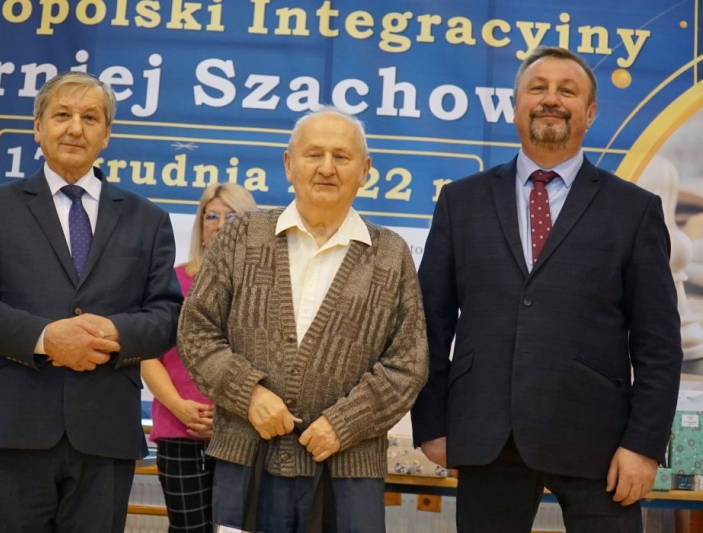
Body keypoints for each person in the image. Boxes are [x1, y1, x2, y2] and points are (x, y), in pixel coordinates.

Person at [410, 46, 683, 532]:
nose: (551, 99)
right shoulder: (461, 202)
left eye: (567, 91)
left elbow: (658, 344)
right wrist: (431, 423)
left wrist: (643, 445)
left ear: (590, 113)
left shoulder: (634, 210)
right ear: (515, 106)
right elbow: (429, 325)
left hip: (600, 443)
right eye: (537, 89)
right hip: (487, 436)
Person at [0, 71, 183, 532]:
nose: (76, 128)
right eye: (62, 115)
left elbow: (167, 315)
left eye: (90, 118)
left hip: (105, 433)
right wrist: (45, 338)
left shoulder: (148, 219)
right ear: (38, 127)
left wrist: (115, 332)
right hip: (14, 430)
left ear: (106, 134)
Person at [176, 106, 428, 532]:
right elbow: (195, 331)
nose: (326, 168)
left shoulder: (390, 254)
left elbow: (408, 364)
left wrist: (344, 423)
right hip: (246, 459)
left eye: (341, 156)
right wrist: (249, 395)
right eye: (314, 154)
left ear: (365, 171)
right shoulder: (241, 236)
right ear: (289, 165)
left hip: (348, 470)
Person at [141, 182, 257, 533]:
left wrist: (227, 414)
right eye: (212, 216)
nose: (220, 225)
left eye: (231, 217)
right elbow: (148, 355)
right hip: (180, 428)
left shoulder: (264, 291)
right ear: (201, 226)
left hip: (241, 432)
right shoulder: (172, 282)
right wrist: (178, 406)